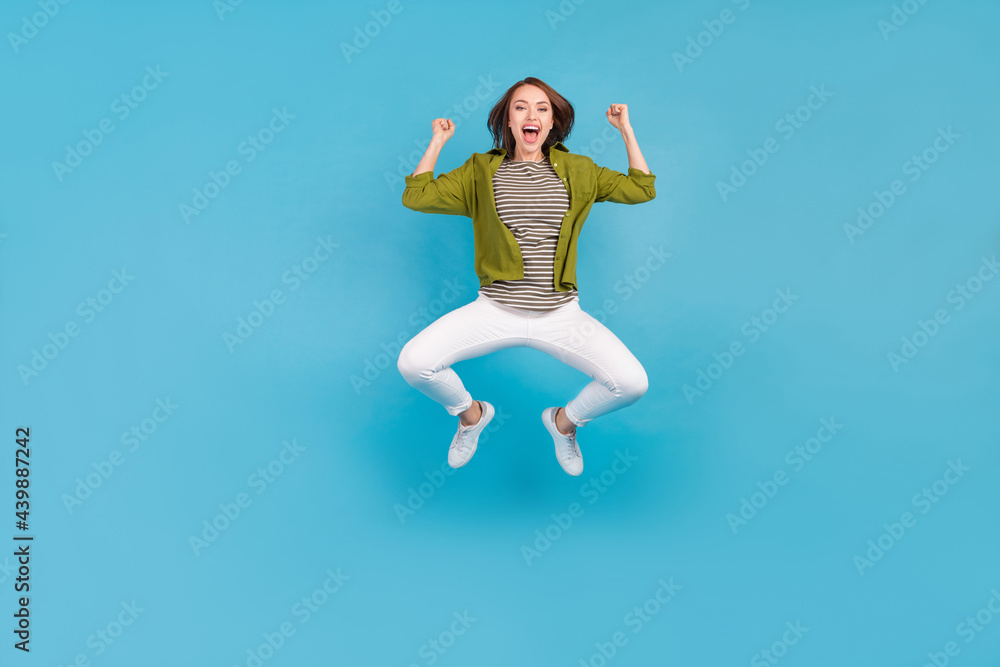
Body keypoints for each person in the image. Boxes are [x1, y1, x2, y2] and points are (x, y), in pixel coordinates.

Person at [397, 76, 656, 476]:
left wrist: (627, 130)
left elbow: (641, 189)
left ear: (552, 123)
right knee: (414, 363)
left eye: (542, 108)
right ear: (509, 121)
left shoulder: (579, 170)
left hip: (561, 315)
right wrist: (437, 142)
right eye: (520, 107)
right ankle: (472, 416)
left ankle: (563, 423)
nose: (531, 114)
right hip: (495, 310)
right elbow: (416, 195)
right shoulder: (481, 171)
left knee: (632, 383)